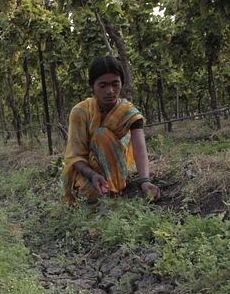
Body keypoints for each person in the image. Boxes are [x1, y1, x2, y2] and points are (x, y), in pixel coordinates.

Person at [62, 55, 161, 207]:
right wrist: (93, 175)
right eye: (103, 85)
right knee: (88, 198)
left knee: (102, 134)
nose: (110, 91)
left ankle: (114, 189)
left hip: (115, 169)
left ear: (122, 83)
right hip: (86, 171)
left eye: (115, 84)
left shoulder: (130, 113)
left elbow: (140, 149)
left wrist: (145, 181)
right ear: (92, 86)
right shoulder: (80, 112)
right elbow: (75, 156)